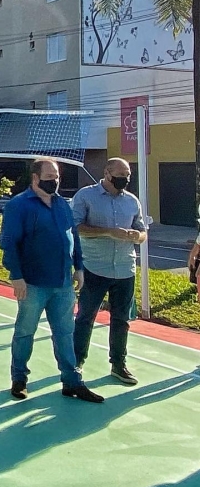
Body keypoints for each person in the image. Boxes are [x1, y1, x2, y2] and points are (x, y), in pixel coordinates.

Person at [0, 158, 104, 404]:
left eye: (56, 176)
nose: (54, 181)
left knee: (65, 332)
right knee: (25, 332)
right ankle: (19, 379)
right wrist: (17, 276)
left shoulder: (62, 205)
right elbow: (9, 244)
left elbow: (73, 236)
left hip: (63, 282)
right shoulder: (19, 206)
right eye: (49, 177)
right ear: (35, 178)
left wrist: (78, 267)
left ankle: (72, 381)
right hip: (33, 283)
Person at [71, 158, 147, 385]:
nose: (125, 179)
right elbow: (76, 227)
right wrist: (108, 232)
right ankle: (76, 363)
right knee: (86, 317)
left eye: (128, 175)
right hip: (95, 267)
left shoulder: (132, 201)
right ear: (107, 173)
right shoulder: (86, 196)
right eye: (121, 174)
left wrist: (137, 236)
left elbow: (143, 232)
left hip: (125, 269)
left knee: (121, 319)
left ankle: (118, 364)